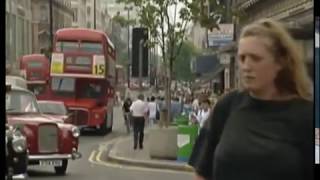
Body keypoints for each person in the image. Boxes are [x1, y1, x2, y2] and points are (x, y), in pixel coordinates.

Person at [191, 19, 313, 180]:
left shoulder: (306, 116)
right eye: (242, 58)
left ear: (280, 63)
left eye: (255, 58)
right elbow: (202, 173)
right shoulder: (227, 106)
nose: (246, 66)